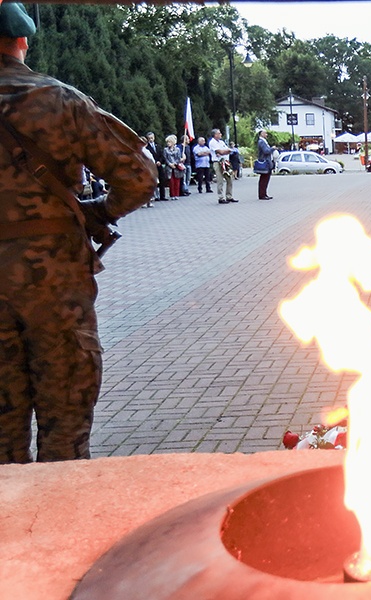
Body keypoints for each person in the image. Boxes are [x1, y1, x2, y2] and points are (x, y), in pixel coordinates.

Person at [0, 2, 157, 463]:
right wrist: (98, 210)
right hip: (54, 285)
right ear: (23, 41)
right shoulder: (58, 100)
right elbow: (140, 178)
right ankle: (62, 526)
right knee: (65, 426)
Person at [208, 128, 235, 204]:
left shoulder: (222, 142)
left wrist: (225, 152)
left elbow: (228, 150)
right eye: (219, 133)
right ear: (215, 135)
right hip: (218, 162)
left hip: (225, 162)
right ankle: (221, 197)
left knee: (229, 178)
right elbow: (220, 151)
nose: (220, 134)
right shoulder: (212, 142)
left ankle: (229, 196)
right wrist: (225, 152)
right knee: (220, 180)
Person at [145, 131, 168, 201]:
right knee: (154, 182)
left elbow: (162, 155)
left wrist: (160, 161)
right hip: (152, 166)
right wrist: (154, 162)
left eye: (152, 137)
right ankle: (155, 196)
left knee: (162, 180)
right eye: (149, 138)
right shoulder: (147, 147)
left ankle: (162, 196)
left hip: (159, 165)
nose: (151, 139)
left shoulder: (158, 146)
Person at [162, 134, 183, 199]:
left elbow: (179, 158)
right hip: (169, 167)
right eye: (167, 142)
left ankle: (177, 194)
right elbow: (165, 158)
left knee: (177, 181)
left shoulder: (177, 149)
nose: (168, 143)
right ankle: (172, 195)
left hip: (176, 167)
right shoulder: (165, 150)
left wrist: (175, 164)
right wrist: (170, 164)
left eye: (169, 142)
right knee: (171, 182)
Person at [256, 129, 274, 200]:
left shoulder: (263, 142)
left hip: (267, 162)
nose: (266, 135)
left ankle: (264, 193)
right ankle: (262, 194)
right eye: (265, 133)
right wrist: (272, 149)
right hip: (265, 162)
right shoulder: (261, 142)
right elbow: (266, 151)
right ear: (261, 134)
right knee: (264, 178)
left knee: (266, 178)